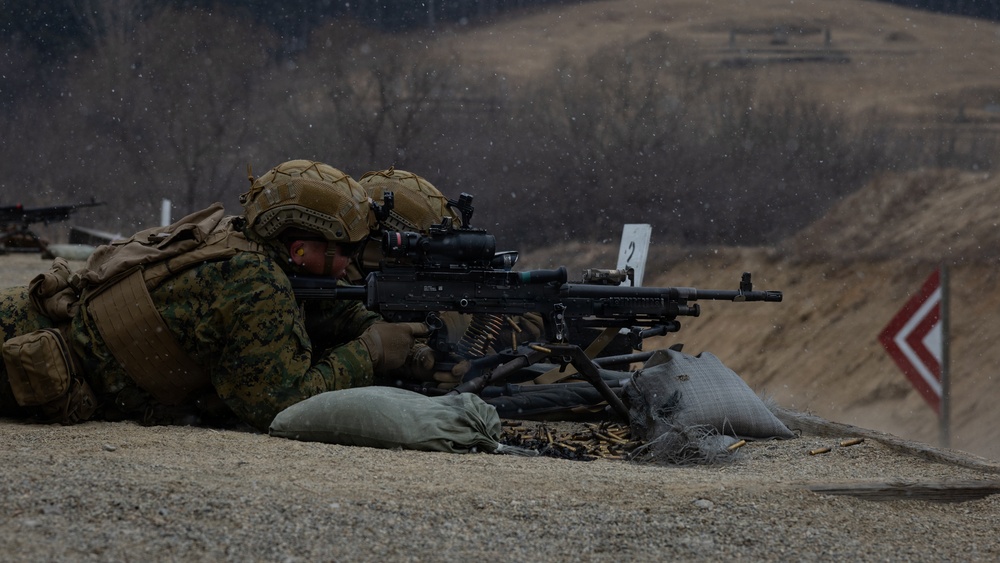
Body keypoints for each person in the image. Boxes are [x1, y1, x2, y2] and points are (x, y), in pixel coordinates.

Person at [0, 160, 426, 431]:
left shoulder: (242, 239)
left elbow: (315, 309)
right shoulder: (259, 285)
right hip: (29, 359)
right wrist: (370, 351)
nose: (351, 263)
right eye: (346, 250)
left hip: (32, 320)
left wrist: (369, 324)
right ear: (300, 247)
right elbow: (279, 405)